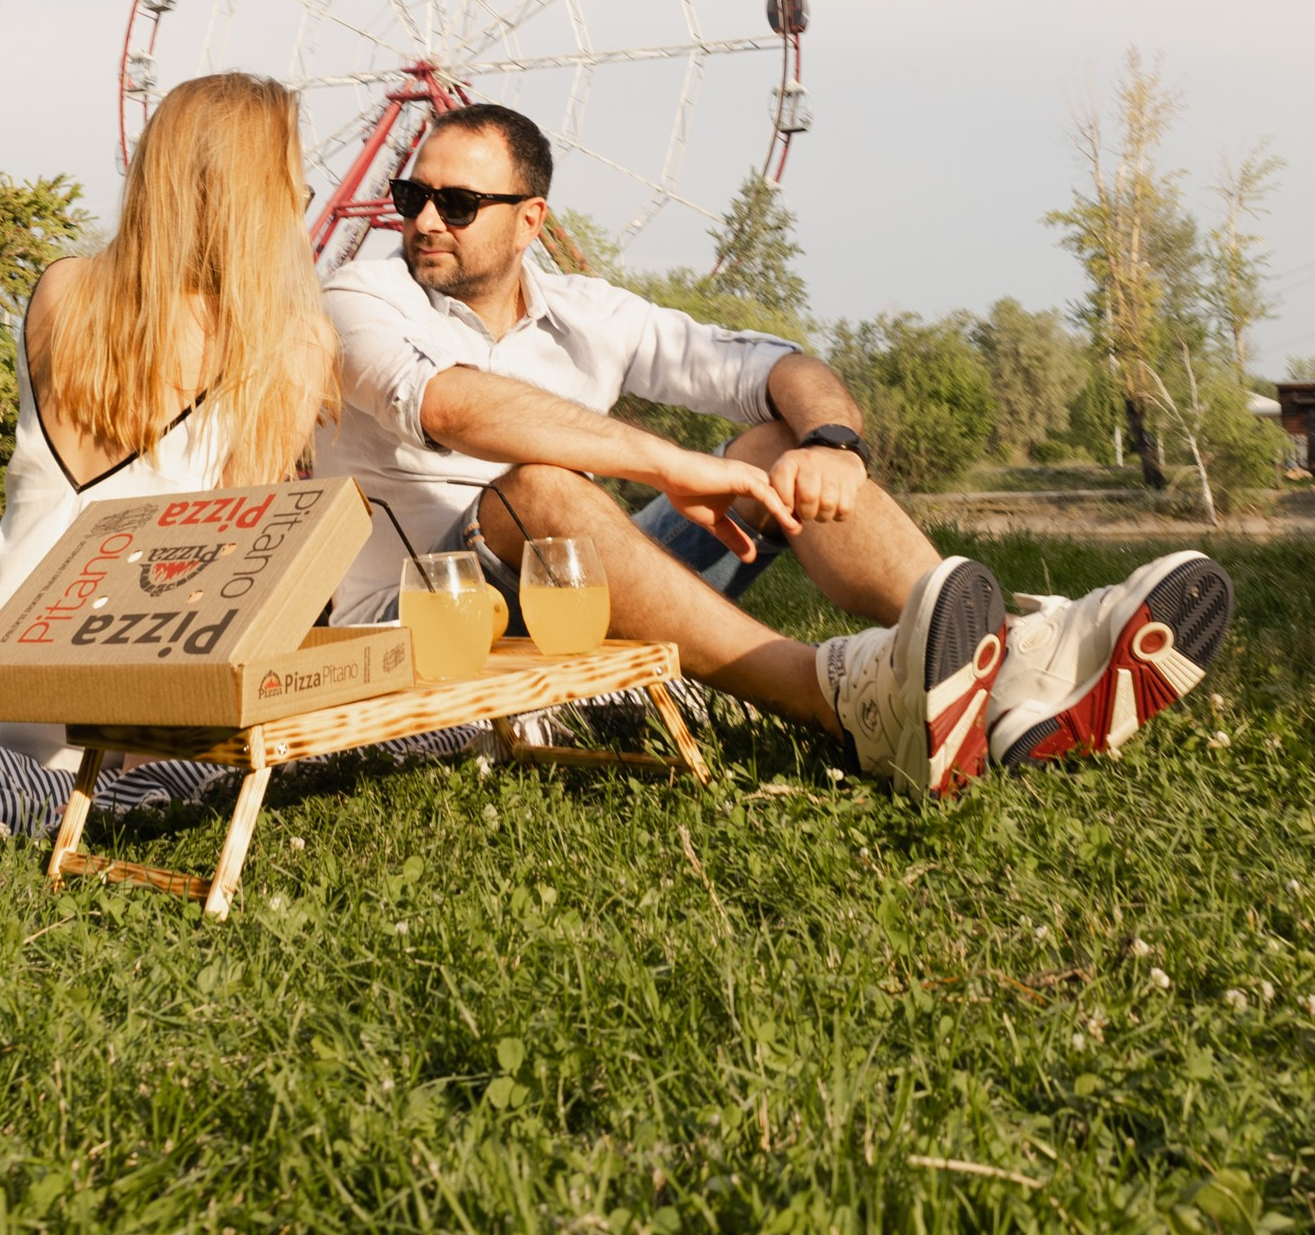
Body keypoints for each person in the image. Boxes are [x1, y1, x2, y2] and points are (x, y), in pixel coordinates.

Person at [316, 101, 1233, 798]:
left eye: (458, 201)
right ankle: (842, 700)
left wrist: (835, 444)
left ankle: (1008, 674)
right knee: (542, 492)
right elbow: (452, 406)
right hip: (421, 627)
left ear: (530, 219)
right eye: (412, 195)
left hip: (561, 599)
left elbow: (782, 365)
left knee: (777, 438)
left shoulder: (590, 312)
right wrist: (669, 463)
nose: (424, 219)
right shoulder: (358, 297)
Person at [0, 72, 336, 763]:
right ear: (255, 201)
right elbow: (240, 572)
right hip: (129, 695)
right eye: (294, 190)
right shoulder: (292, 339)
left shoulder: (59, 288)